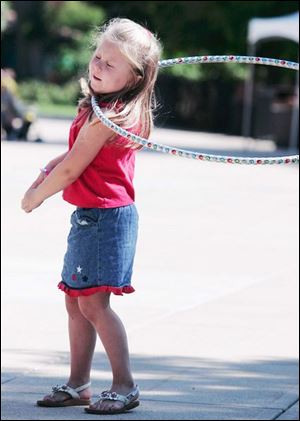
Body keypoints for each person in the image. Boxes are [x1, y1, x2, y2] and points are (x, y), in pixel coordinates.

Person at [21, 18, 162, 415]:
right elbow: (70, 157)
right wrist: (48, 168)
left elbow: (73, 169)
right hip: (91, 216)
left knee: (95, 305)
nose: (97, 66)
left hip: (105, 219)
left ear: (135, 76)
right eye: (98, 57)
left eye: (110, 64)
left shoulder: (111, 117)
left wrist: (36, 196)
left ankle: (125, 385)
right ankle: (78, 382)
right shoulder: (100, 107)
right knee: (76, 300)